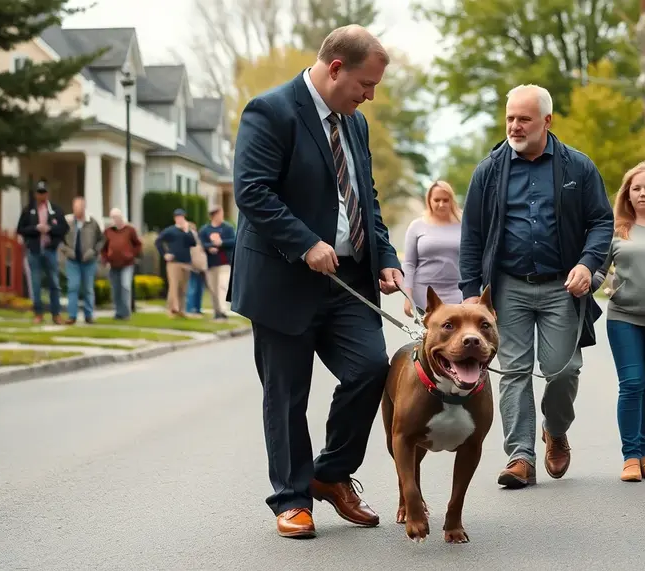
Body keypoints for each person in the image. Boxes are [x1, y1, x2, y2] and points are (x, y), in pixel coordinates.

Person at [228, 25, 403, 539]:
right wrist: (305, 242)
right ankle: (291, 498)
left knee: (370, 368)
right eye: (365, 84)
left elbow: (364, 199)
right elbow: (252, 192)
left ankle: (329, 474)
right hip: (283, 279)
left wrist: (386, 256)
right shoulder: (271, 112)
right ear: (335, 69)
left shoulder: (355, 124)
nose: (369, 95)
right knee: (286, 395)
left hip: (348, 278)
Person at [459, 84, 614, 489]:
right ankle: (520, 456)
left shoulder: (577, 167)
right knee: (513, 371)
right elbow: (472, 235)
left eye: (523, 119)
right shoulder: (488, 170)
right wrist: (471, 292)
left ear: (546, 121)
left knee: (564, 370)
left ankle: (555, 429)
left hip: (562, 286)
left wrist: (587, 263)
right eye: (510, 118)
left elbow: (601, 221)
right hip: (507, 286)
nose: (514, 126)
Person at [591, 161, 645, 483]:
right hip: (624, 317)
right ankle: (630, 457)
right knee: (632, 384)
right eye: (636, 188)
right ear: (628, 193)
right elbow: (599, 270)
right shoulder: (616, 230)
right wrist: (585, 284)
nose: (642, 193)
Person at [401, 180, 463, 317]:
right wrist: (408, 296)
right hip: (424, 293)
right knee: (433, 336)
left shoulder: (464, 224)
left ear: (452, 200)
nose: (441, 204)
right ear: (429, 200)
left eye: (445, 200)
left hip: (457, 293)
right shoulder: (417, 226)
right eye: (437, 200)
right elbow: (409, 264)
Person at [16, 179, 68, 324]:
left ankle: (56, 314)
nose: (41, 196)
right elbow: (20, 229)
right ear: (35, 194)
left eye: (44, 193)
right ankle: (38, 313)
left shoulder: (56, 210)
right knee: (36, 283)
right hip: (34, 251)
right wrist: (35, 228)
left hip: (50, 250)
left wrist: (50, 229)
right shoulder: (28, 210)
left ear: (48, 194)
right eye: (39, 193)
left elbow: (64, 229)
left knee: (54, 283)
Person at [59, 197, 103, 325]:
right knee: (73, 287)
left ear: (84, 208)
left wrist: (93, 251)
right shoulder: (67, 222)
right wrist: (68, 251)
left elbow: (101, 240)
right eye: (75, 208)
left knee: (88, 288)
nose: (77, 210)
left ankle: (88, 315)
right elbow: (60, 240)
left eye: (79, 208)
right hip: (72, 261)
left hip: (88, 261)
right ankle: (72, 316)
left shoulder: (92, 223)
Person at [100, 208, 142, 320]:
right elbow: (103, 247)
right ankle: (119, 313)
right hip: (113, 264)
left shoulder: (130, 230)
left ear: (121, 217)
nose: (114, 219)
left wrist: (132, 254)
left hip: (127, 264)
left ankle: (126, 313)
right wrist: (105, 259)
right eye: (112, 217)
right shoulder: (108, 231)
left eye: (116, 217)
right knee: (116, 289)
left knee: (125, 287)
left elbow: (138, 244)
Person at [154, 209, 196, 317]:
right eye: (178, 217)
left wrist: (187, 230)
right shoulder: (170, 230)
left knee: (183, 287)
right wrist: (165, 254)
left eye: (182, 217)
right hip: (174, 262)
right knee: (174, 286)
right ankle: (172, 309)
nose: (180, 219)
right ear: (175, 218)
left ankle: (181, 310)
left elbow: (193, 243)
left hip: (186, 262)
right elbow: (158, 241)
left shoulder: (187, 231)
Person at [199, 205, 236, 320]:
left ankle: (223, 311)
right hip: (210, 264)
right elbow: (201, 243)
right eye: (219, 214)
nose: (221, 216)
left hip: (224, 263)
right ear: (213, 216)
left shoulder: (228, 228)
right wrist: (210, 247)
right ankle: (217, 312)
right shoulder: (205, 230)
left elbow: (234, 241)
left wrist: (221, 243)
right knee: (213, 288)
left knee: (222, 286)